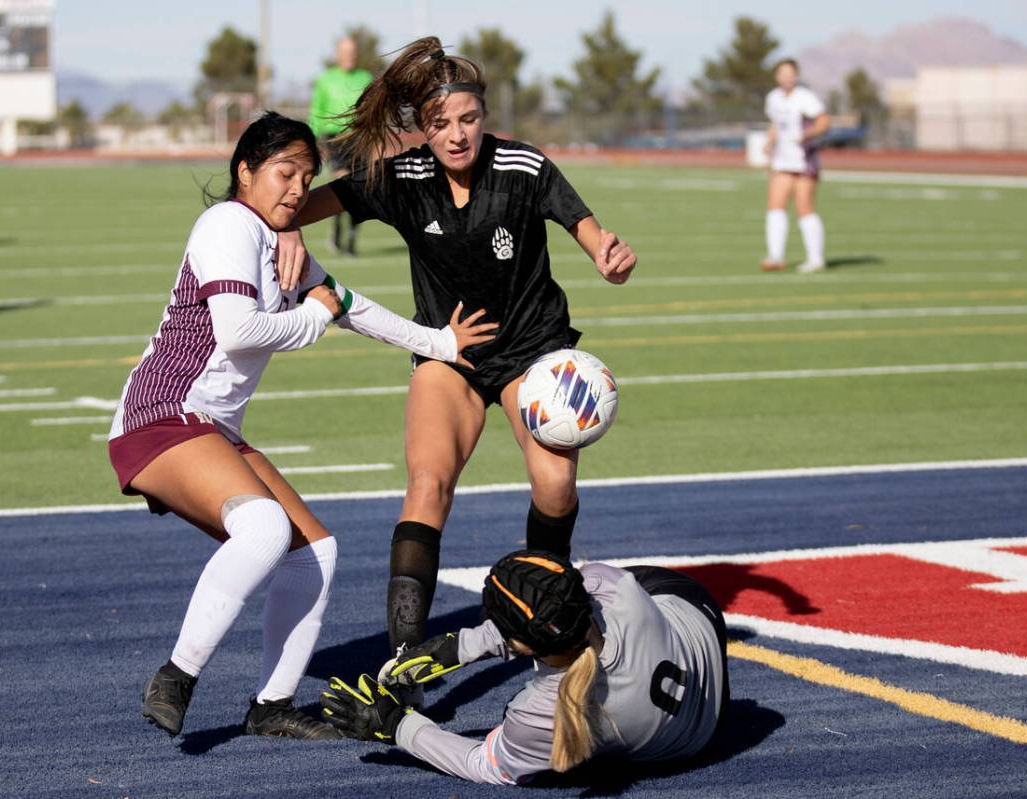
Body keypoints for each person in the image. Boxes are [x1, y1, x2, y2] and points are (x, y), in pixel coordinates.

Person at [106, 111, 496, 740]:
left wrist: (440, 342)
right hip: (162, 415)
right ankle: (177, 675)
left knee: (313, 551)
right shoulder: (228, 223)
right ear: (245, 172)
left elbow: (350, 305)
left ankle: (272, 706)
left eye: (306, 176)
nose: (296, 188)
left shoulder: (276, 239)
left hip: (211, 426)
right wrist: (314, 316)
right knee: (263, 529)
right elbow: (239, 329)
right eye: (284, 173)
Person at [281, 37, 638, 666]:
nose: (456, 134)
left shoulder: (524, 168)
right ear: (422, 127)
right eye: (440, 123)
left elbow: (590, 231)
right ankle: (405, 658)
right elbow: (306, 204)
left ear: (485, 117)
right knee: (428, 483)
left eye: (468, 119)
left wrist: (609, 258)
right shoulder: (401, 178)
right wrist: (279, 226)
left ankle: (542, 620)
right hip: (450, 354)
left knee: (554, 484)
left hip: (533, 351)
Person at [320, 550, 730, 785]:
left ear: (519, 645)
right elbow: (559, 618)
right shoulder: (613, 589)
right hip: (697, 625)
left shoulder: (540, 713)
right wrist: (459, 649)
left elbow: (484, 764)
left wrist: (396, 725)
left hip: (687, 736)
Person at [762, 58, 831, 274]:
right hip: (783, 160)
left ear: (796, 76)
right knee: (775, 206)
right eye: (782, 73)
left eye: (790, 73)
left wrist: (806, 135)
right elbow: (776, 124)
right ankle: (775, 256)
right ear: (776, 76)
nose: (786, 77)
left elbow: (824, 122)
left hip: (803, 159)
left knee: (804, 208)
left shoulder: (805, 98)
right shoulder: (773, 98)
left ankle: (815, 259)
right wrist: (769, 142)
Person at [308, 36, 373, 255]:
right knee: (341, 183)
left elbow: (373, 110)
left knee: (359, 189)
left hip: (360, 138)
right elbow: (317, 110)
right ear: (337, 54)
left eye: (353, 52)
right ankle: (336, 231)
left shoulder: (365, 78)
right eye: (345, 52)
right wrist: (314, 140)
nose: (349, 56)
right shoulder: (326, 79)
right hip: (334, 138)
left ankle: (352, 237)